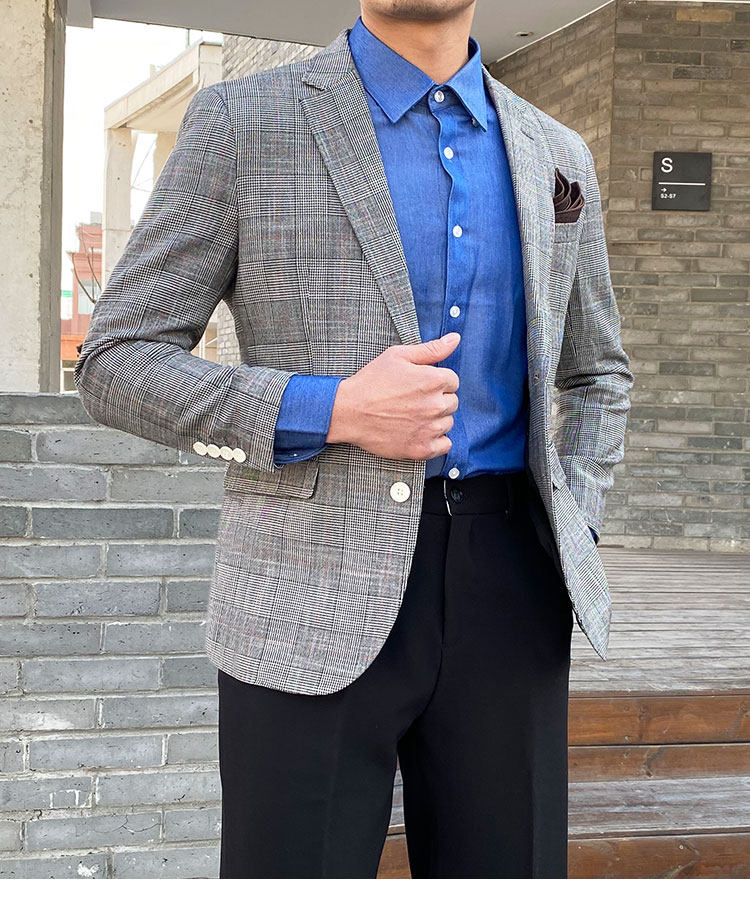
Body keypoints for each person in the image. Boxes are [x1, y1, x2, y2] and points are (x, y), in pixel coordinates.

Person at [75, 0, 633, 879]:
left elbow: (598, 372)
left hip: (512, 586)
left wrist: (577, 518)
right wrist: (330, 408)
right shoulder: (244, 122)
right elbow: (116, 359)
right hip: (303, 589)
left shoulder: (555, 149)